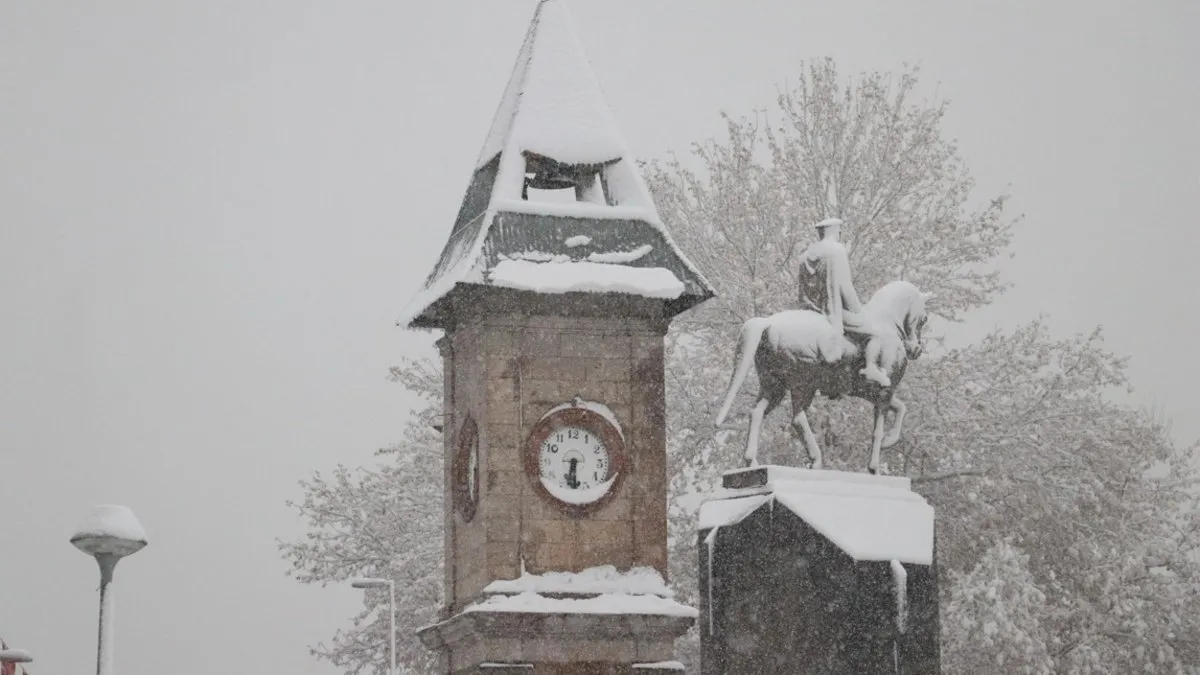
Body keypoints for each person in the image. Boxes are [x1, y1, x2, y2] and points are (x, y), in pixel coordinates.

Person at [795, 217, 893, 386]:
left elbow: (801, 292)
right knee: (876, 333)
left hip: (809, 311)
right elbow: (845, 287)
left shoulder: (804, 257)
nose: (840, 234)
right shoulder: (836, 251)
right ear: (834, 231)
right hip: (831, 312)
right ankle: (870, 368)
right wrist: (857, 309)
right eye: (839, 231)